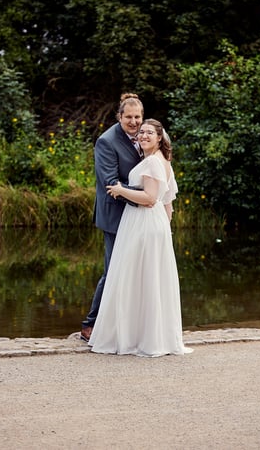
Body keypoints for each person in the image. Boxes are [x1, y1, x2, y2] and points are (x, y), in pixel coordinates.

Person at [88, 119, 193, 357]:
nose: (143, 135)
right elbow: (168, 203)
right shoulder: (160, 162)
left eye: (149, 133)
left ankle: (138, 337)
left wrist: (120, 189)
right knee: (147, 280)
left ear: (159, 138)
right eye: (142, 132)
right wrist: (165, 230)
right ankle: (145, 335)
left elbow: (150, 199)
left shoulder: (155, 163)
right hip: (153, 225)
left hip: (143, 223)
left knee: (134, 278)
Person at [80, 93, 145, 342]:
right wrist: (146, 198)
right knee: (113, 270)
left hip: (138, 214)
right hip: (116, 215)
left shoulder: (145, 134)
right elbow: (110, 183)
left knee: (137, 270)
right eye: (128, 117)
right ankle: (90, 324)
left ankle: (126, 325)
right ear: (119, 117)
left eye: (137, 116)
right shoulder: (106, 141)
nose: (133, 121)